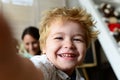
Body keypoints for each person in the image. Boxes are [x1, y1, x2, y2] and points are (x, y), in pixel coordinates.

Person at [0, 7, 98, 80]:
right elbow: (35, 70)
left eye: (77, 39)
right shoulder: (46, 66)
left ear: (86, 47)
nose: (69, 44)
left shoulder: (78, 77)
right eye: (59, 38)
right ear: (43, 47)